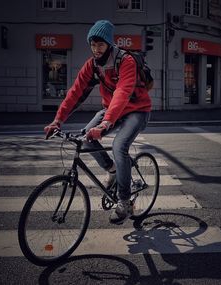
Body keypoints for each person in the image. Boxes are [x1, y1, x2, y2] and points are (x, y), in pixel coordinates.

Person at [44, 20, 152, 225]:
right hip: (111, 109)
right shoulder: (92, 65)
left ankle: (124, 201)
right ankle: (112, 170)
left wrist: (106, 124)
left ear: (109, 44)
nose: (96, 49)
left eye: (100, 45)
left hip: (137, 110)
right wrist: (57, 120)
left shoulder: (125, 61)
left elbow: (122, 92)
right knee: (85, 138)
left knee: (119, 146)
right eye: (92, 45)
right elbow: (75, 93)